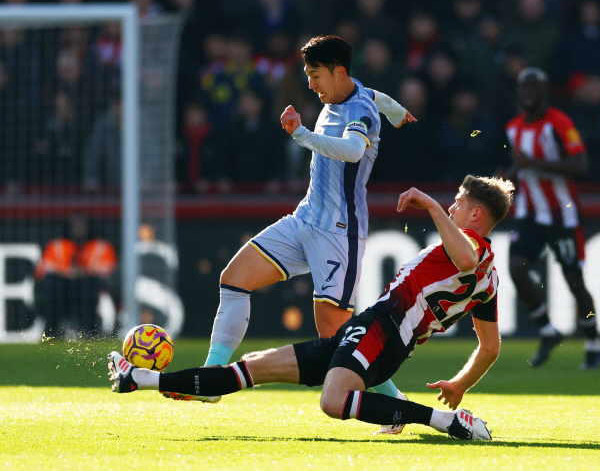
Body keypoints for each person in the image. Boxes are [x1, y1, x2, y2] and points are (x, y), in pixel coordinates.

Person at [109, 176, 515, 441]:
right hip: (378, 335)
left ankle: (444, 422)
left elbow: (464, 257)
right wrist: (460, 384)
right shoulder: (490, 281)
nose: (452, 208)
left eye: (459, 204)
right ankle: (139, 379)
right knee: (253, 366)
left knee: (333, 401)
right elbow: (491, 347)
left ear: (475, 215)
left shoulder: (470, 248)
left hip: (383, 327)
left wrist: (429, 205)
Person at [201, 35, 416, 429]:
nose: (311, 84)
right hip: (305, 220)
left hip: (339, 233)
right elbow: (376, 94)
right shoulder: (352, 94)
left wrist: (300, 134)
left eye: (315, 75)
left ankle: (397, 405)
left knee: (335, 334)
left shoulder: (359, 111)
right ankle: (214, 376)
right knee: (233, 278)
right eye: (307, 75)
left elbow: (352, 150)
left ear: (338, 72)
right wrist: (399, 111)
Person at [503, 67, 600, 370]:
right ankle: (547, 330)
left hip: (563, 215)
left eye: (534, 88)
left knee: (574, 280)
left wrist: (535, 163)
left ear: (545, 92)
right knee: (516, 269)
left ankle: (593, 342)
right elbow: (521, 167)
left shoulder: (560, 123)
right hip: (530, 213)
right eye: (524, 89)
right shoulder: (513, 127)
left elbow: (581, 164)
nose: (529, 94)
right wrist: (505, 178)